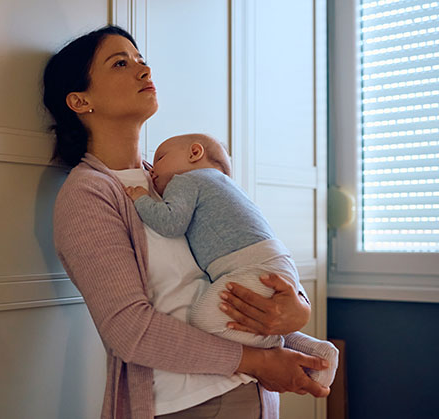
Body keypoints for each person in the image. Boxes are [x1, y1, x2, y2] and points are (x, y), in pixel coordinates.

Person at [44, 25, 329, 419]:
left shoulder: (176, 182)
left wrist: (292, 309)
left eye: (142, 61)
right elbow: (130, 330)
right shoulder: (88, 195)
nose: (144, 71)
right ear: (80, 100)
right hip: (188, 403)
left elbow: (236, 274)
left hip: (252, 395)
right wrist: (259, 362)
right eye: (121, 63)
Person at [124, 133, 338, 387]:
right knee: (260, 314)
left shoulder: (186, 180)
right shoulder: (226, 187)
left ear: (194, 153)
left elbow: (170, 223)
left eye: (159, 158)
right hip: (274, 262)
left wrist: (141, 199)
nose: (153, 169)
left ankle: (276, 348)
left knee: (203, 319)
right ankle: (319, 353)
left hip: (251, 266)